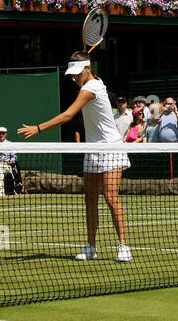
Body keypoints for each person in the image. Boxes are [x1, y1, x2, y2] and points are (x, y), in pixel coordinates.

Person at [18, 52, 131, 262]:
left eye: (77, 74)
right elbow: (83, 75)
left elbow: (68, 115)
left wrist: (39, 128)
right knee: (90, 199)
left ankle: (123, 246)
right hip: (92, 148)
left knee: (110, 197)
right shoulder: (94, 80)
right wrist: (79, 64)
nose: (74, 78)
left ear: (88, 69)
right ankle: (91, 247)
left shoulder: (92, 88)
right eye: (72, 74)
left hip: (111, 147)